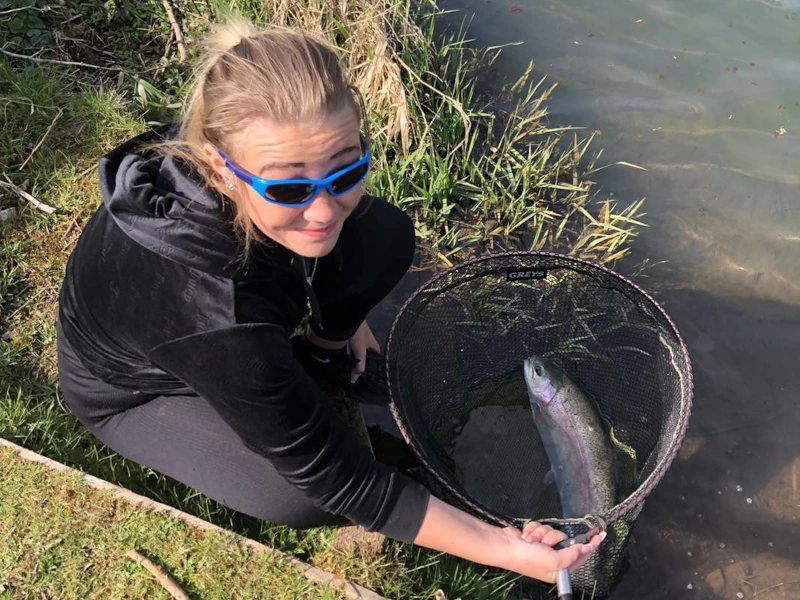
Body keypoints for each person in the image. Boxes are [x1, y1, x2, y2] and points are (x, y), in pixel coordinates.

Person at [56, 16, 604, 584]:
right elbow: (342, 479)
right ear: (221, 163)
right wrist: (505, 548)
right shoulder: (214, 312)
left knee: (382, 234)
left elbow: (328, 213)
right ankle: (284, 373)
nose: (324, 212)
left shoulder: (239, 137)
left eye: (346, 170)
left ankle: (321, 355)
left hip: (227, 317)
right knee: (302, 496)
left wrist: (345, 319)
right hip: (133, 392)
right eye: (289, 187)